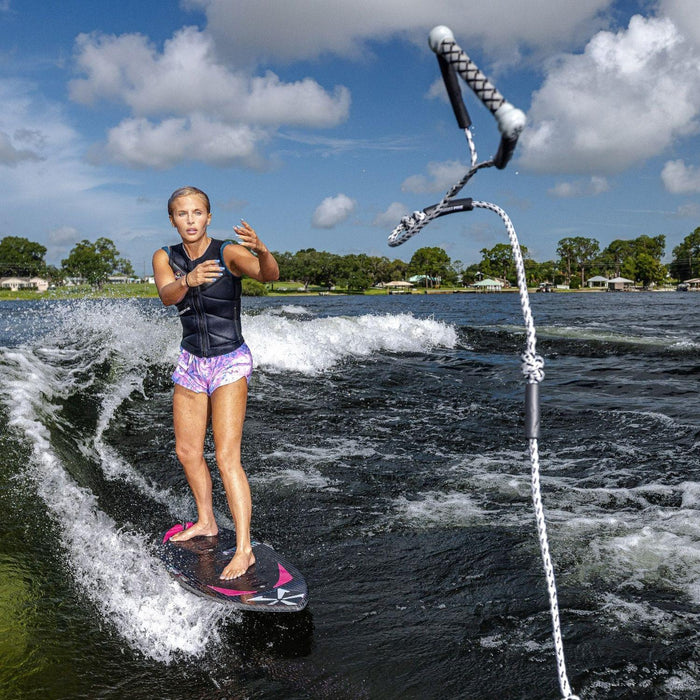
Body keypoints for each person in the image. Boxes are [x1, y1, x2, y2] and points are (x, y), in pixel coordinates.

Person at [152, 186, 279, 580]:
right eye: (182, 214)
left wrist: (261, 249)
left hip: (228, 361)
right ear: (172, 219)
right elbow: (166, 296)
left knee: (226, 456)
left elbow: (268, 276)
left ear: (208, 217)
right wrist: (188, 279)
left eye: (197, 213)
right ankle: (206, 520)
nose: (190, 220)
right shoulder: (165, 257)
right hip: (191, 361)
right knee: (188, 451)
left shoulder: (227, 253)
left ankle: (244, 549)